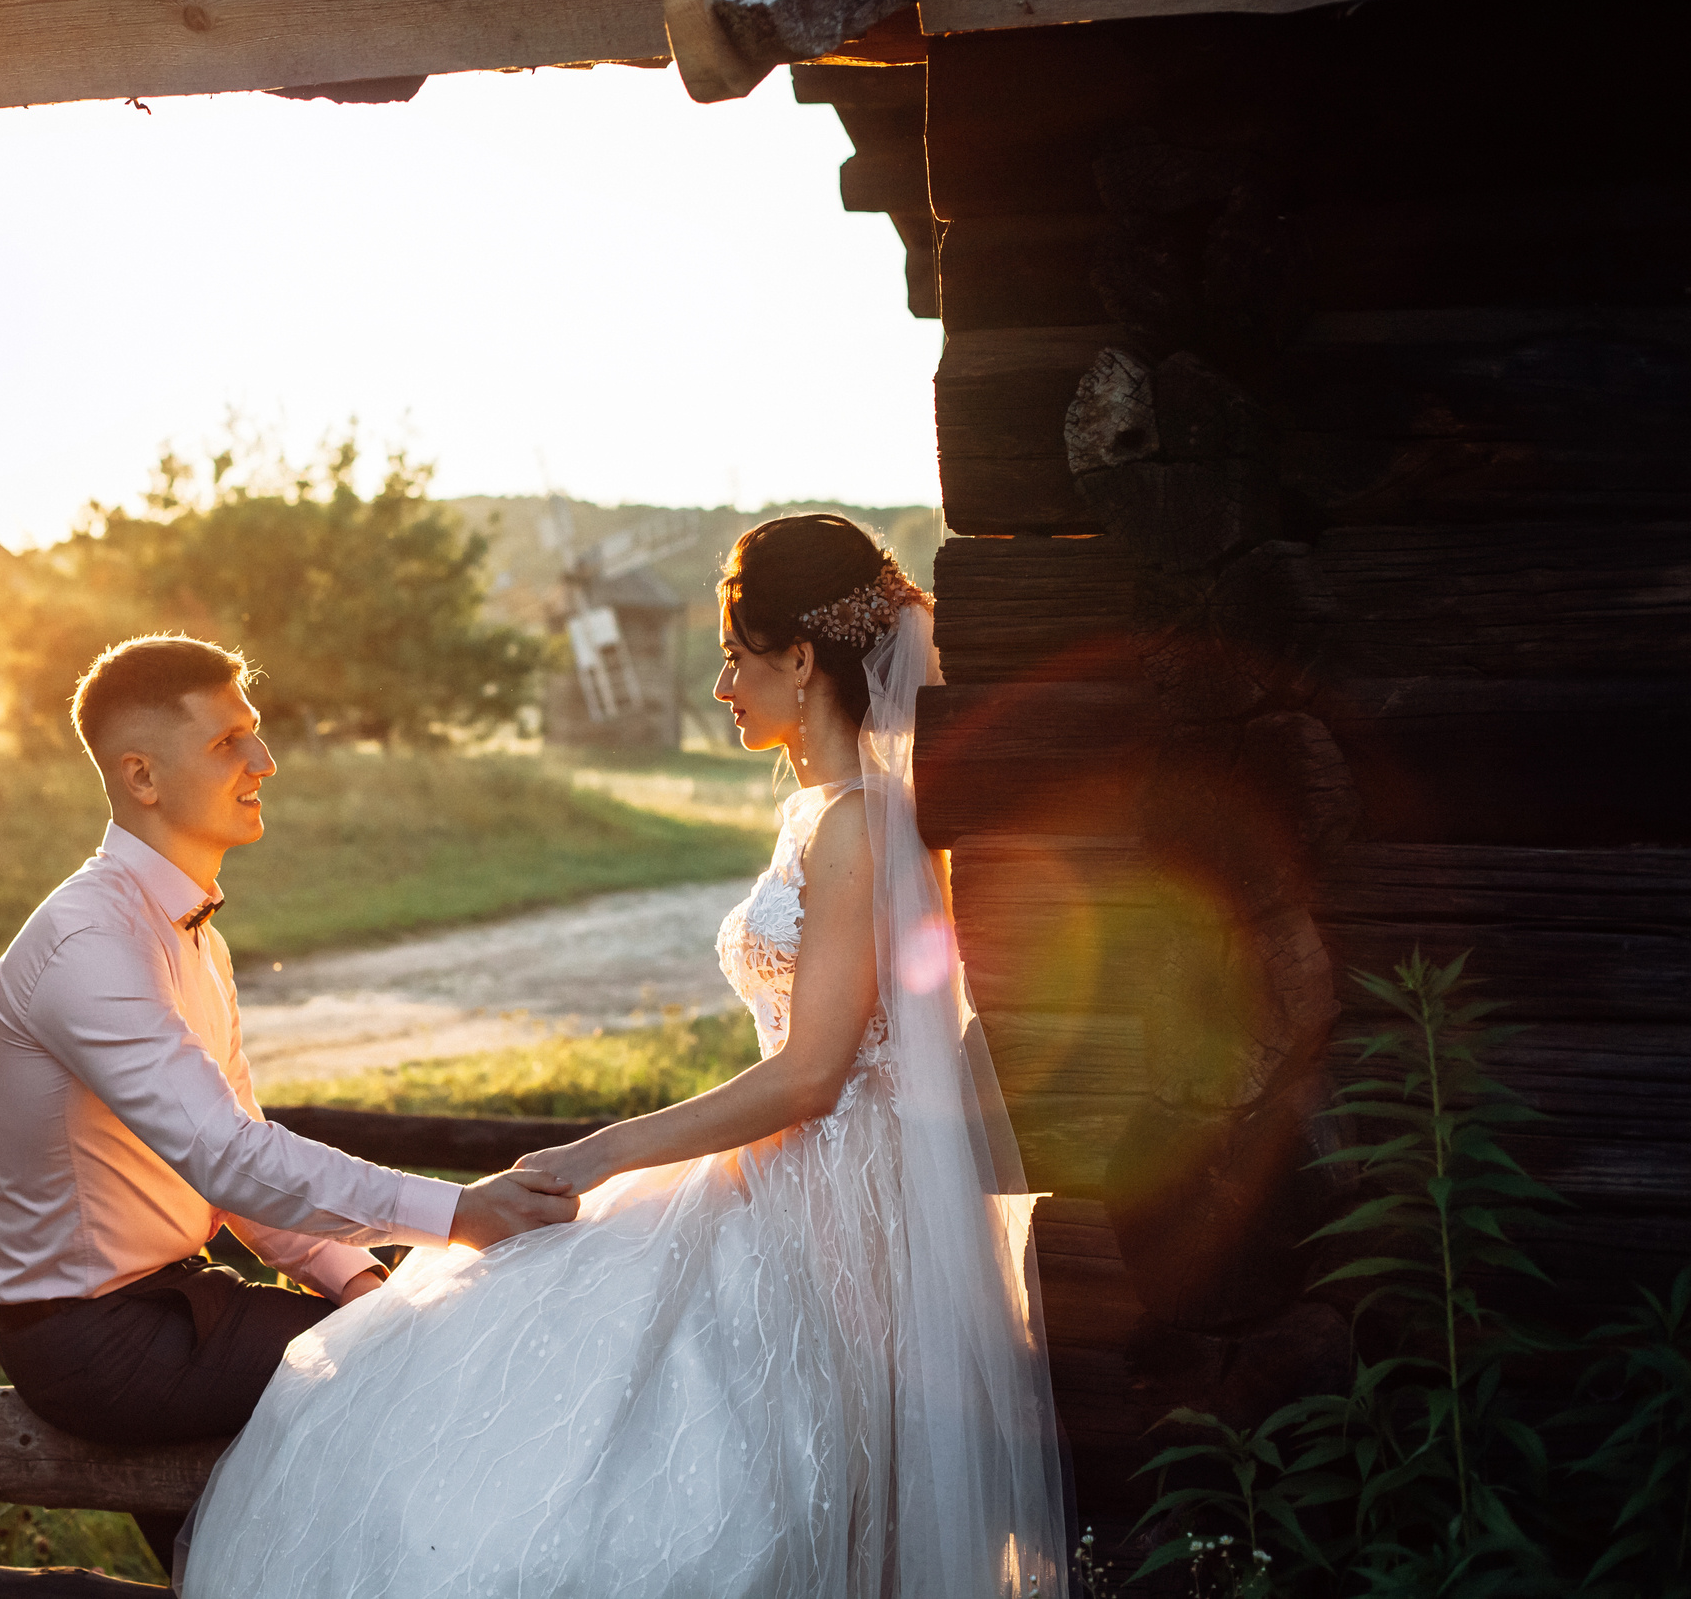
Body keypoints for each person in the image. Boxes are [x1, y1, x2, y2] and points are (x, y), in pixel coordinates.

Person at [182, 515, 1069, 1598]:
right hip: (782, 1162)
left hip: (838, 1194)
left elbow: (812, 1072)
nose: (720, 686)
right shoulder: (821, 815)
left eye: (735, 658)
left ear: (801, 659)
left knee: (761, 1459)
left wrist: (610, 1150)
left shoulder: (862, 823)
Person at [0, 633, 579, 1569]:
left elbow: (239, 1155)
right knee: (406, 1371)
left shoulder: (195, 940)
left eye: (254, 735)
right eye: (228, 743)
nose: (265, 761)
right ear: (141, 775)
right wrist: (459, 1214)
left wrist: (353, 1276)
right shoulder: (86, 943)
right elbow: (229, 1159)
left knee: (389, 1337)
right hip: (89, 1338)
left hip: (167, 1307)